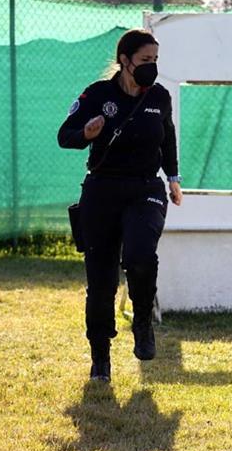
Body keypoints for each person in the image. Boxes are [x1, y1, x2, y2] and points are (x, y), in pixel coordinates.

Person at [57, 28, 182, 382]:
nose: (151, 67)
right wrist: (87, 134)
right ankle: (100, 359)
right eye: (145, 60)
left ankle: (142, 321)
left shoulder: (160, 96)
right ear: (125, 60)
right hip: (102, 189)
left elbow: (167, 137)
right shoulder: (97, 95)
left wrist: (173, 178)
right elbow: (65, 136)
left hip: (146, 188)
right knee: (100, 282)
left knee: (141, 256)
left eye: (155, 60)